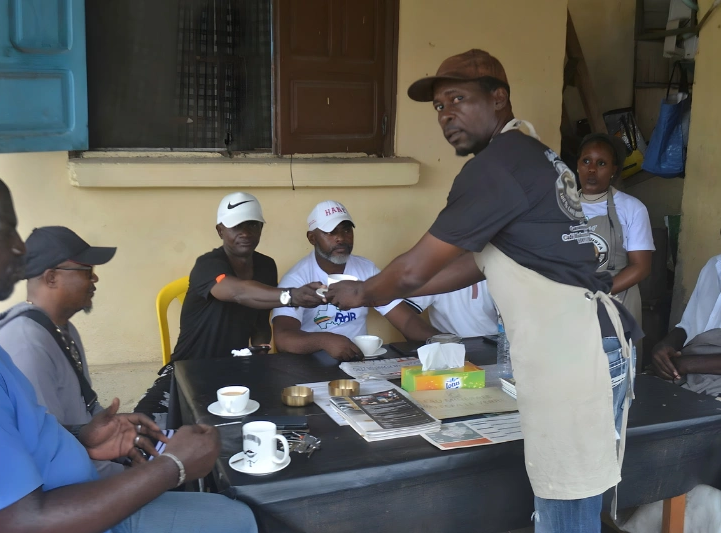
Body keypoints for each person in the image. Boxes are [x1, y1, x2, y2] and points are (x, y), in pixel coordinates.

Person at [326, 50, 641, 532]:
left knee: (565, 504)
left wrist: (364, 292)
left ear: (499, 99)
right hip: (590, 342)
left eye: (457, 98)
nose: (446, 114)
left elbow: (411, 271)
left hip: (572, 353)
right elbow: (478, 262)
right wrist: (390, 287)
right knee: (573, 498)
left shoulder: (497, 166)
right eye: (438, 106)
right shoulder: (529, 152)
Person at [0, 162, 257, 533]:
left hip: (80, 488)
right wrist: (172, 467)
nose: (20, 249)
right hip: (73, 513)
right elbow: (19, 524)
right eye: (3, 232)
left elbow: (13, 436)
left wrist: (82, 437)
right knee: (242, 518)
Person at [135, 192, 323, 424]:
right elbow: (238, 292)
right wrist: (291, 296)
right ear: (220, 230)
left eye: (252, 224)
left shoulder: (266, 265)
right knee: (142, 428)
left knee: (288, 420)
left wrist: (261, 349)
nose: (245, 233)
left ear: (261, 228)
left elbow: (260, 320)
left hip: (237, 371)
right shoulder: (208, 265)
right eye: (236, 226)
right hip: (188, 371)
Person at [0, 226, 125, 478]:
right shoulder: (26, 342)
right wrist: (138, 474)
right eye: (87, 270)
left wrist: (123, 429)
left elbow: (82, 413)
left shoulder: (63, 328)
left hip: (92, 463)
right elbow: (47, 449)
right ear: (51, 278)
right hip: (75, 488)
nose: (94, 279)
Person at [272, 200, 439, 361]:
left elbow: (406, 320)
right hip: (310, 365)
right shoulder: (297, 278)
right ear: (312, 238)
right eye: (330, 232)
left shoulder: (366, 269)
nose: (340, 238)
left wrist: (445, 342)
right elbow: (284, 338)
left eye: (346, 230)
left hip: (359, 361)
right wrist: (324, 341)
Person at [578, 133, 654, 327]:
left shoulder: (631, 208)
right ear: (578, 165)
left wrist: (597, 292)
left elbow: (641, 266)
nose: (592, 169)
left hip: (618, 304)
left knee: (615, 355)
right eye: (586, 161)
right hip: (571, 305)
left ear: (614, 170)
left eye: (601, 163)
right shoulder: (561, 207)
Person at [652, 254, 721, 394]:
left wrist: (689, 364)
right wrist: (664, 346)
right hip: (688, 373)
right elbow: (688, 324)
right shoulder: (713, 265)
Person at [405, 281, 498, 337]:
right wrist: (437, 339)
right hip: (452, 350)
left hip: (497, 345)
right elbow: (402, 310)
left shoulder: (493, 266)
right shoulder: (436, 272)